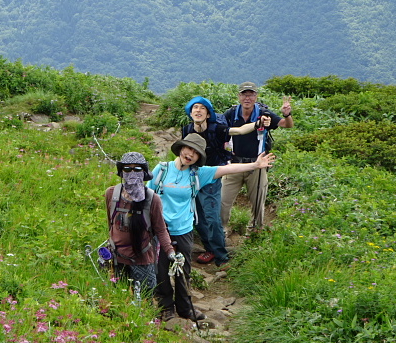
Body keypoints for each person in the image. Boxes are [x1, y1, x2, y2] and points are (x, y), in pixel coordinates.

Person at [147, 133, 275, 321]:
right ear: (181, 148)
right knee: (160, 269)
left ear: (199, 157)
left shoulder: (198, 173)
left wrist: (255, 165)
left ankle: (185, 307)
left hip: (183, 229)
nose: (190, 154)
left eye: (195, 153)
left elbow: (226, 170)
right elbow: (147, 195)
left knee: (184, 270)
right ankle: (166, 307)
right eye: (188, 149)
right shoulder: (162, 170)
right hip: (160, 229)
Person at [182, 96, 263, 267]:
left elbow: (239, 131)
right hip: (192, 176)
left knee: (212, 218)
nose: (198, 111)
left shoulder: (217, 128)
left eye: (202, 108)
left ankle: (221, 255)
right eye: (194, 108)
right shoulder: (187, 130)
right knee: (197, 217)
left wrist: (256, 124)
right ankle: (209, 248)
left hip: (212, 176)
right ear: (190, 113)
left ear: (208, 113)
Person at [221, 81, 293, 231]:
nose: (247, 98)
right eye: (244, 94)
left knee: (258, 202)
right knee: (222, 201)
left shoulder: (264, 114)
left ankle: (254, 232)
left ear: (256, 96)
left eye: (251, 94)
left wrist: (287, 114)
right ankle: (222, 233)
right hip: (234, 165)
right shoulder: (231, 113)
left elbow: (287, 125)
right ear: (239, 96)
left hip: (257, 165)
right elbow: (221, 131)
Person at [104, 152, 176, 294]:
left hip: (142, 259)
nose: (132, 173)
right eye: (127, 169)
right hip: (116, 259)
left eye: (137, 169)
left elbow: (161, 230)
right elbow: (111, 224)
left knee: (144, 298)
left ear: (143, 172)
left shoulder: (152, 199)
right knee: (118, 298)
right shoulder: (111, 194)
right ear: (121, 172)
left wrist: (170, 252)